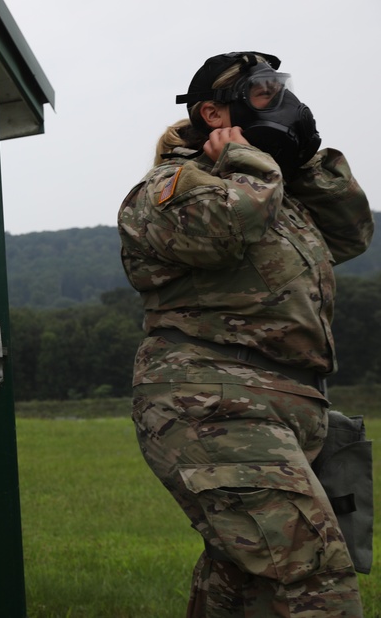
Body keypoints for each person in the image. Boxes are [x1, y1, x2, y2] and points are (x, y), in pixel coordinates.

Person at [118, 51, 373, 617]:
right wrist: (251, 163)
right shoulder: (175, 187)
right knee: (313, 577)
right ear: (213, 112)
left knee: (241, 581)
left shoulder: (274, 192)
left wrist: (302, 161)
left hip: (288, 399)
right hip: (213, 398)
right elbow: (219, 231)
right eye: (262, 92)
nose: (281, 102)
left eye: (280, 88)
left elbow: (351, 234)